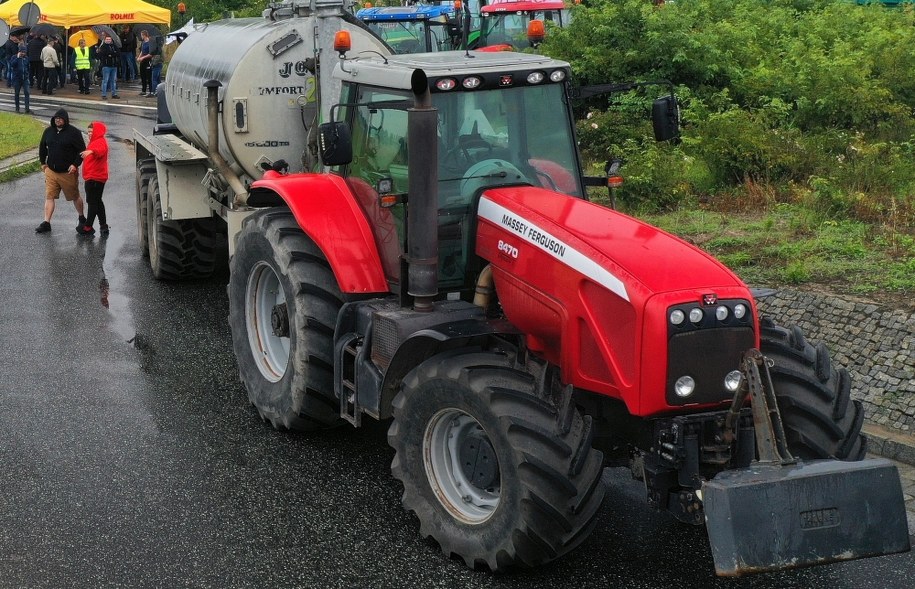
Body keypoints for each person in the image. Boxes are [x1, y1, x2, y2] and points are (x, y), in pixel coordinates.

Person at [36, 109, 87, 234]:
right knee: (49, 196)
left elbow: (81, 151)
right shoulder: (48, 131)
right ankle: (46, 222)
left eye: (60, 118)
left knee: (75, 196)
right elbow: (42, 147)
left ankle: (81, 217)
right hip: (51, 171)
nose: (57, 120)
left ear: (65, 119)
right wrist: (43, 163)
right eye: (56, 118)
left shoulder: (74, 132)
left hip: (68, 172)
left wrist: (75, 165)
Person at [77, 121, 110, 237]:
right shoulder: (95, 141)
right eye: (88, 132)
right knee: (97, 201)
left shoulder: (100, 141)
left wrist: (91, 151)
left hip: (94, 177)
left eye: (92, 131)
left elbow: (100, 151)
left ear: (97, 132)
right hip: (96, 177)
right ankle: (104, 226)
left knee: (92, 202)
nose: (89, 134)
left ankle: (88, 227)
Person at [97, 34, 120, 99]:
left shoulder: (114, 46)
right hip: (106, 66)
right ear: (105, 40)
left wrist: (111, 54)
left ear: (111, 40)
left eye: (109, 39)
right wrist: (112, 54)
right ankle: (104, 94)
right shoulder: (103, 46)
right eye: (107, 39)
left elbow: (118, 53)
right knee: (105, 80)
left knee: (113, 81)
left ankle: (114, 94)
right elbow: (104, 54)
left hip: (114, 65)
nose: (108, 40)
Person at [10, 43, 30, 114]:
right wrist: (18, 58)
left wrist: (27, 75)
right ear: (19, 51)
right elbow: (12, 65)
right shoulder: (14, 57)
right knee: (17, 93)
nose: (23, 53)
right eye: (22, 52)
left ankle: (27, 109)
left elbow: (27, 67)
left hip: (25, 78)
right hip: (17, 79)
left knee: (27, 92)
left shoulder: (26, 58)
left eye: (24, 52)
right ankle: (17, 109)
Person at [137, 30, 153, 97]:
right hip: (142, 61)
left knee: (148, 76)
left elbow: (151, 54)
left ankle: (151, 91)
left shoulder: (150, 43)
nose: (141, 36)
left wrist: (143, 58)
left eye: (141, 35)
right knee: (142, 75)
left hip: (148, 60)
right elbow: (142, 51)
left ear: (144, 35)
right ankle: (143, 90)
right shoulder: (143, 42)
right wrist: (139, 57)